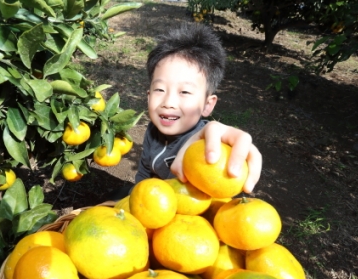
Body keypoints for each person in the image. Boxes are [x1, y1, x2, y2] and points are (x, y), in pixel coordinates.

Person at [108, 23, 262, 200]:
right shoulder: (152, 130)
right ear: (149, 96)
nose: (169, 102)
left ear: (207, 105)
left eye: (185, 92)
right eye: (160, 90)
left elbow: (220, 190)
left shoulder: (206, 144)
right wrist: (138, 194)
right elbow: (144, 169)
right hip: (154, 200)